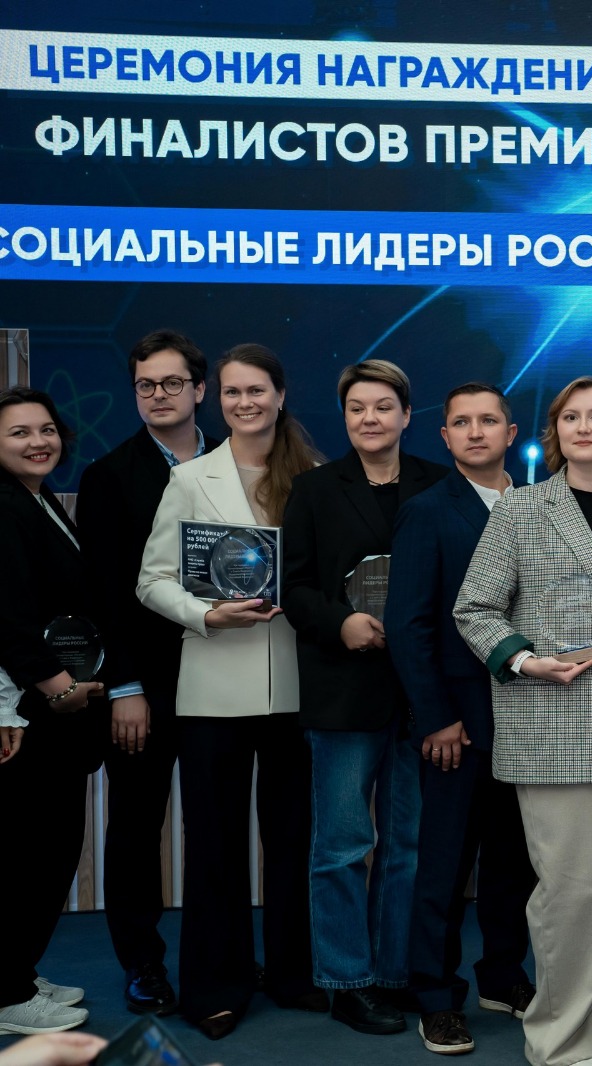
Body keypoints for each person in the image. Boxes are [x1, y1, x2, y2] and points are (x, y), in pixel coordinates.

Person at [454, 376, 592, 1066]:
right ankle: (559, 1036)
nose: (584, 426)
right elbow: (474, 609)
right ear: (555, 432)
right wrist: (524, 661)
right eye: (571, 416)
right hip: (553, 723)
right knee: (575, 892)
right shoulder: (521, 509)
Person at [136, 343, 323, 1039]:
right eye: (233, 393)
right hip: (213, 688)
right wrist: (205, 615)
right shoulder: (190, 478)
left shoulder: (315, 476)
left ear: (280, 395)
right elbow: (152, 580)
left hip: (299, 686)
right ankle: (215, 985)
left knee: (293, 839)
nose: (246, 403)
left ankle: (295, 974)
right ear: (218, 400)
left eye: (257, 391)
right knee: (213, 844)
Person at [280, 359, 448, 1036]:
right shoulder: (314, 490)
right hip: (344, 689)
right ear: (344, 417)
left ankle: (393, 974)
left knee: (408, 843)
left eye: (383, 407)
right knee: (343, 844)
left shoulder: (439, 483)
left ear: (407, 415)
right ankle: (347, 980)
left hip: (419, 692)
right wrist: (340, 622)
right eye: (357, 408)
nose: (369, 418)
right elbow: (293, 587)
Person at [386, 383, 537, 1055]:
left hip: (529, 721)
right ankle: (436, 996)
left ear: (511, 433)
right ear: (444, 436)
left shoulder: (539, 506)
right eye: (461, 423)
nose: (476, 432)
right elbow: (408, 624)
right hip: (458, 727)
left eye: (489, 421)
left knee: (515, 865)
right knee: (444, 869)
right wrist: (435, 717)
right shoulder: (427, 512)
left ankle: (502, 977)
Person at [76, 330, 219, 1019]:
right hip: (145, 685)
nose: (158, 395)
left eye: (172, 382)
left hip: (227, 674)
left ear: (200, 389)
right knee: (136, 827)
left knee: (214, 825)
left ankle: (217, 958)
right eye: (145, 385)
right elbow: (104, 593)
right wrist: (125, 687)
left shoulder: (240, 460)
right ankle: (142, 963)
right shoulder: (109, 476)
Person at [0, 387, 106, 1036]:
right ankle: (8, 994)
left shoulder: (35, 501)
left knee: (44, 848)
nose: (38, 442)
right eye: (19, 433)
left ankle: (15, 969)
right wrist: (59, 688)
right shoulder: (4, 507)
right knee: (28, 855)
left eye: (46, 430)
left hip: (50, 710)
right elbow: (6, 618)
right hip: (34, 710)